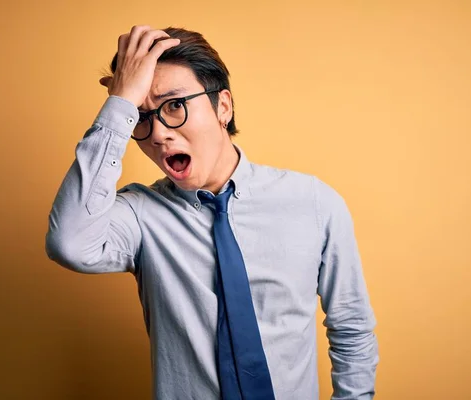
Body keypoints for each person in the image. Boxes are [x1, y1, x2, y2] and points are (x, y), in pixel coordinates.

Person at [45, 25, 379, 400]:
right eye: (141, 116)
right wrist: (119, 104)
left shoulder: (314, 203)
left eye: (174, 105)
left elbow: (351, 328)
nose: (157, 134)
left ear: (223, 106)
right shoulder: (140, 216)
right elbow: (69, 242)